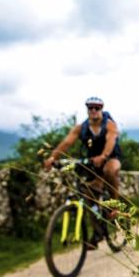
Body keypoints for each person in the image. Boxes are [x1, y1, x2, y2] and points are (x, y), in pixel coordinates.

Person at [44, 96, 122, 248]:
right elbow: (66, 142)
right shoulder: (82, 127)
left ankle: (115, 205)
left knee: (109, 170)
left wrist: (104, 156)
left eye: (96, 108)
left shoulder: (110, 124)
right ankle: (98, 233)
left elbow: (111, 140)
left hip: (111, 158)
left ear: (101, 109)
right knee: (88, 195)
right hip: (92, 163)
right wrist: (52, 158)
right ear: (87, 109)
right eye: (90, 107)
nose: (93, 110)